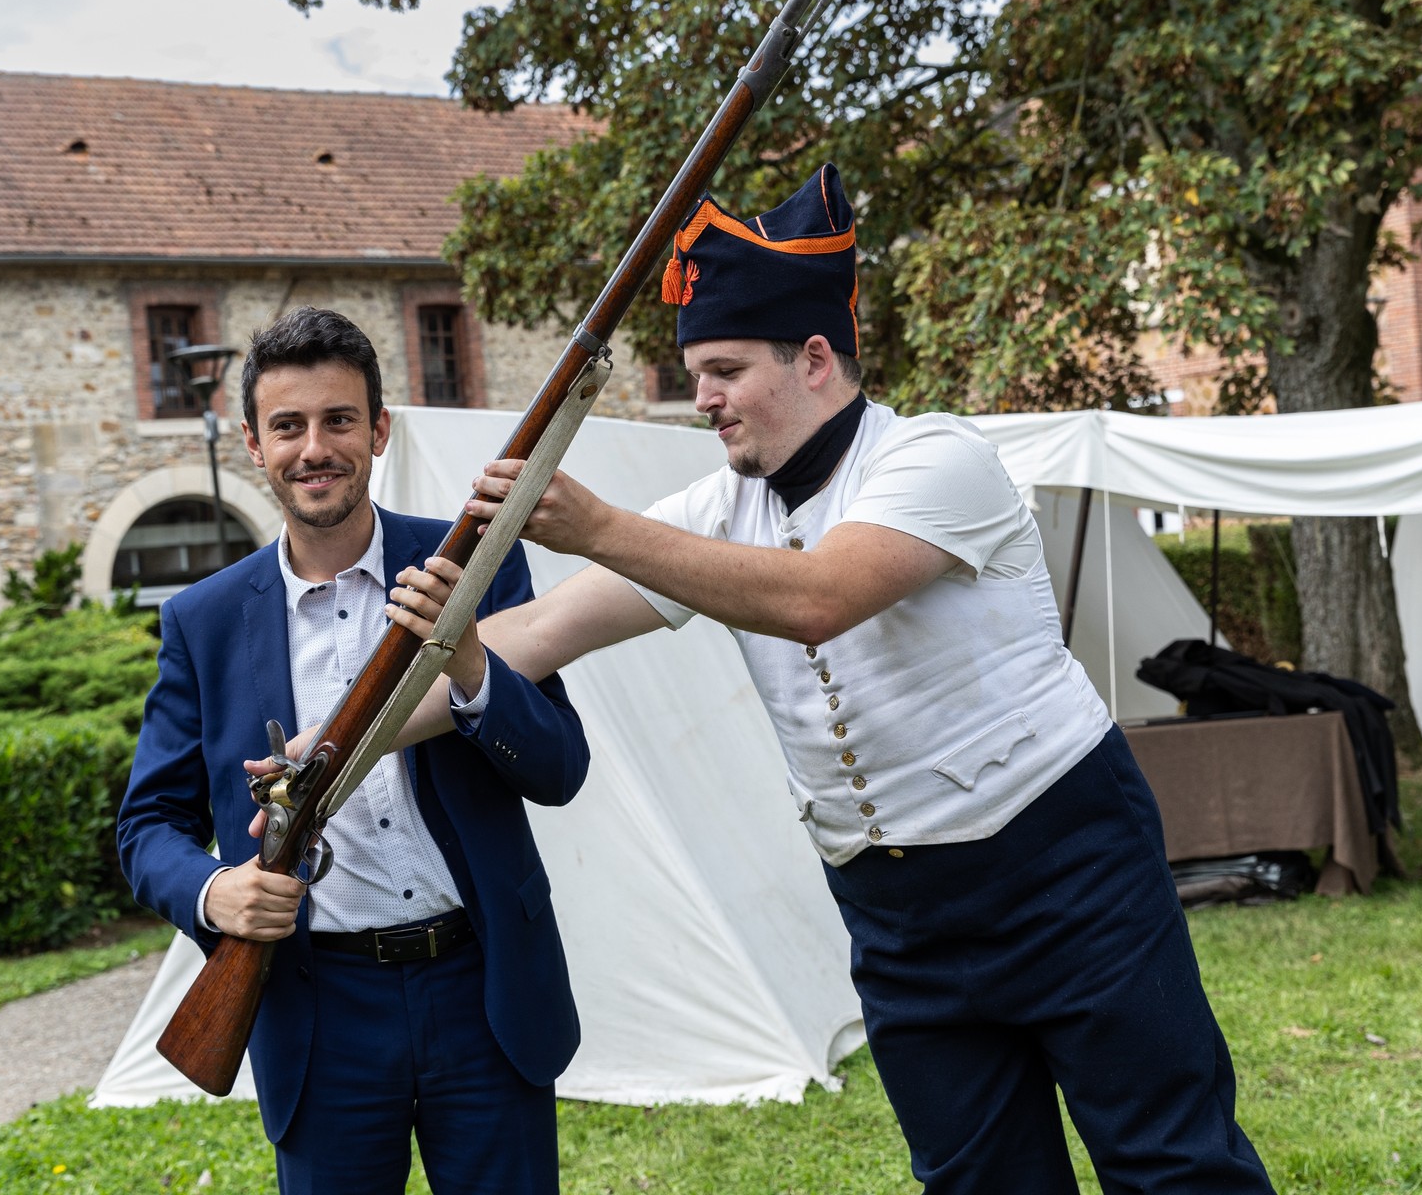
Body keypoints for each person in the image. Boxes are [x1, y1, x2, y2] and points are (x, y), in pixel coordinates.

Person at [389, 166, 1275, 1193]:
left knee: (1174, 1164)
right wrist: (335, 747)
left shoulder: (939, 457)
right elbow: (536, 630)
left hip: (1063, 865)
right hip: (894, 912)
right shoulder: (721, 508)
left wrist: (601, 526)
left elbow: (820, 594)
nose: (702, 398)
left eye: (723, 369)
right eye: (696, 372)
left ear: (815, 358)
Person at [117, 306, 589, 1195]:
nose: (314, 447)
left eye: (338, 420)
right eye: (287, 426)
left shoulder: (471, 564)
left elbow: (561, 768)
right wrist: (216, 893)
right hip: (316, 1004)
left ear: (377, 431)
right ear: (255, 445)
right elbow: (146, 826)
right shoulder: (203, 622)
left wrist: (472, 662)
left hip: (481, 987)